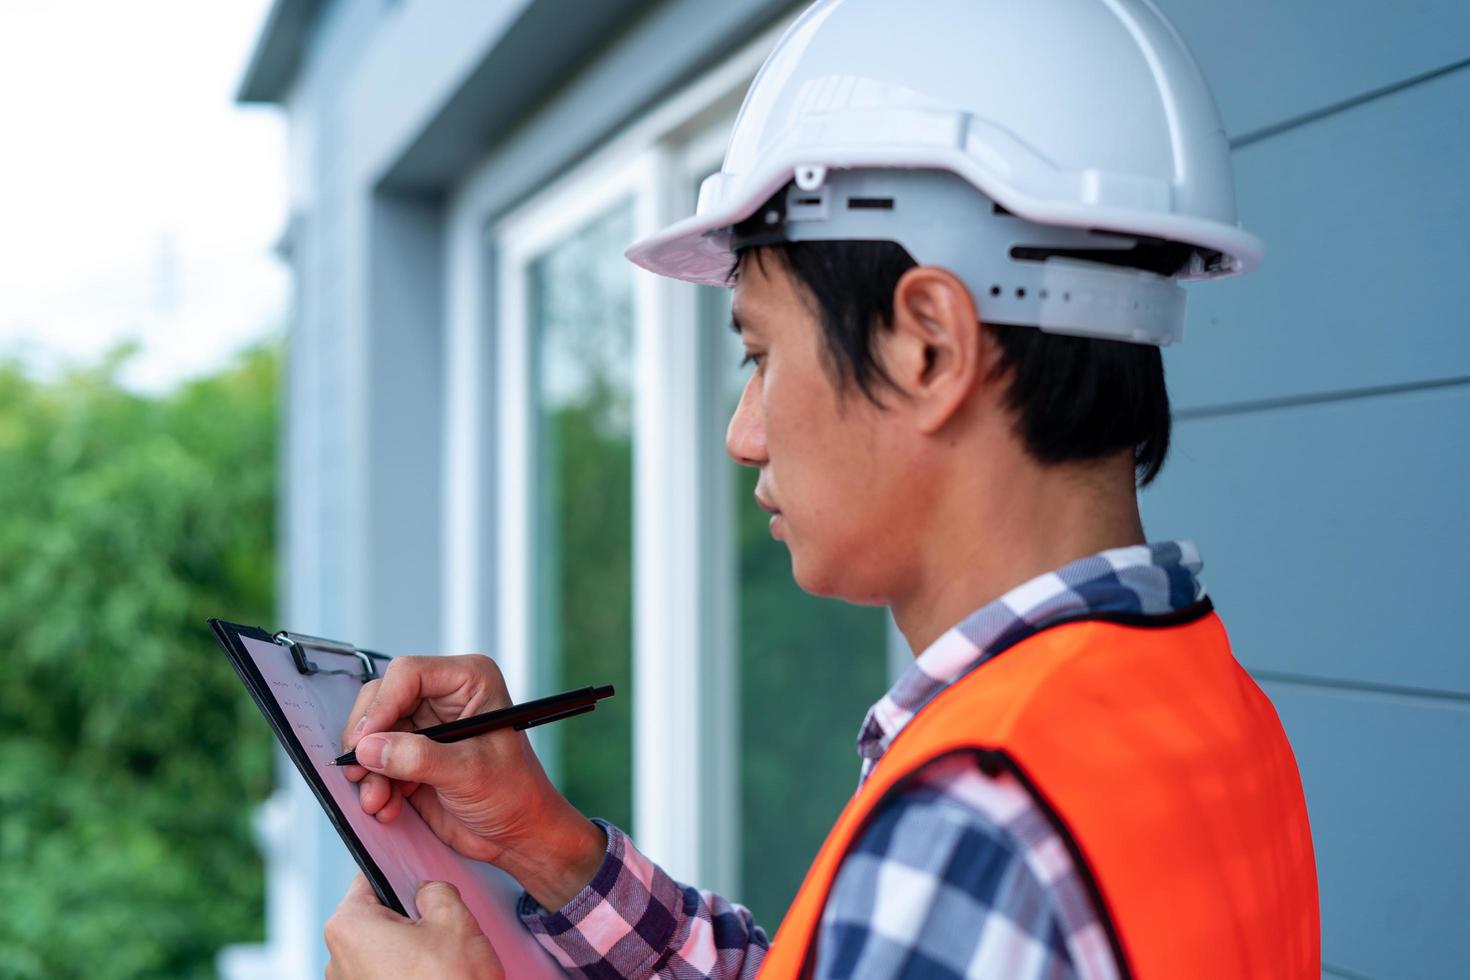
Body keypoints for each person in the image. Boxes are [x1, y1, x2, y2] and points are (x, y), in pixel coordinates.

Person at [324, 1, 1320, 977]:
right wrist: (553, 848)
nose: (741, 433)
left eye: (759, 352)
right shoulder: (1197, 708)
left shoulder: (978, 822)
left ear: (928, 345)